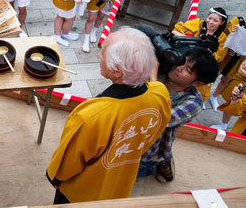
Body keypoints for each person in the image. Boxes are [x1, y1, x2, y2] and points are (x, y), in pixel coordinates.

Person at [47, 27, 171, 203]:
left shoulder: (92, 115)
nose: (99, 56)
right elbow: (150, 135)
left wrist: (56, 177)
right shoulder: (160, 94)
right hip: (120, 184)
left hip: (81, 192)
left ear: (118, 71)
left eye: (102, 52)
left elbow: (69, 162)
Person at [137, 46, 219, 182]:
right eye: (182, 61)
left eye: (188, 70)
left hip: (149, 149)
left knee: (131, 172)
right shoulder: (160, 71)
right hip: (127, 132)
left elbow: (159, 119)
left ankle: (159, 163)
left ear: (198, 83)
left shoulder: (193, 102)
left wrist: (152, 80)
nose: (178, 67)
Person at [209, 0, 246, 110]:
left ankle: (214, 96)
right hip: (227, 54)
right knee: (212, 72)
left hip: (242, 58)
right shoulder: (237, 21)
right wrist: (233, 31)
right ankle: (204, 93)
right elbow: (223, 37)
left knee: (226, 80)